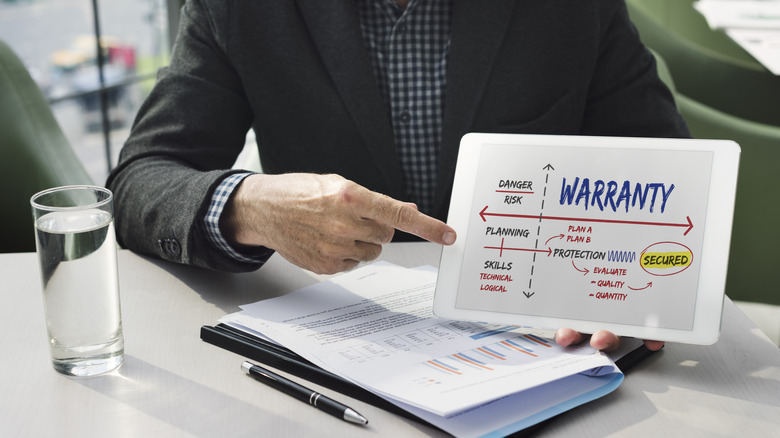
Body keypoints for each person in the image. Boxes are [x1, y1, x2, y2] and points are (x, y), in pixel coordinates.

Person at [107, 0, 685, 353]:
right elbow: (140, 179)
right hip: (333, 349)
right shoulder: (237, 7)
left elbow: (667, 166)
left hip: (543, 343)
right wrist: (248, 204)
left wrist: (627, 284)